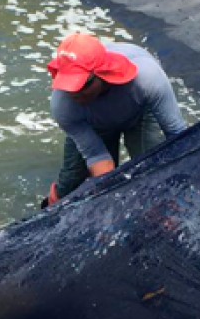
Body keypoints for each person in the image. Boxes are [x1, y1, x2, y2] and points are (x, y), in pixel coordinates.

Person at [43, 32, 187, 206]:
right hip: (93, 123)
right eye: (69, 85)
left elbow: (178, 134)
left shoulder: (146, 77)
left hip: (139, 114)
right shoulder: (62, 105)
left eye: (82, 85)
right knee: (71, 180)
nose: (75, 93)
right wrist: (112, 202)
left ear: (102, 74)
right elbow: (97, 156)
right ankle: (49, 214)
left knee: (150, 168)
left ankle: (160, 210)